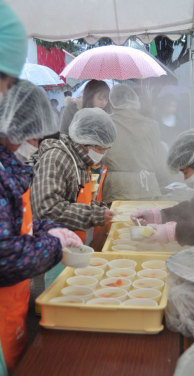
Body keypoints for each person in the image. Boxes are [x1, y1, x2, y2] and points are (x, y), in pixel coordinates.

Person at [0, 79, 82, 371]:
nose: (35, 146)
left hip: (14, 303)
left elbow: (21, 220)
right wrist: (54, 244)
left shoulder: (12, 167)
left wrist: (47, 229)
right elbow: (5, 257)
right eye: (32, 138)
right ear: (11, 129)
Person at [31, 107, 116, 244]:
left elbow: (74, 199)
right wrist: (94, 214)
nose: (102, 153)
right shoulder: (56, 159)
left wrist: (101, 208)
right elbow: (47, 210)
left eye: (105, 149)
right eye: (99, 148)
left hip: (71, 243)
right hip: (52, 246)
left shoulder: (81, 160)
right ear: (83, 142)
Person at [102, 84, 169, 204]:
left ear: (111, 103)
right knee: (146, 222)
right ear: (135, 102)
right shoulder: (149, 125)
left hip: (117, 189)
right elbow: (159, 161)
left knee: (118, 222)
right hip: (147, 187)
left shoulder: (105, 123)